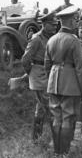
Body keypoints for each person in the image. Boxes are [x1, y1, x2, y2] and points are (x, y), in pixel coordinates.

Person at [44, 6, 82, 158]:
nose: (77, 22)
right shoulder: (74, 41)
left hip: (53, 83)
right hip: (70, 84)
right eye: (75, 19)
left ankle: (57, 151)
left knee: (56, 117)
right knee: (68, 117)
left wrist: (52, 81)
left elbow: (47, 66)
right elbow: (80, 69)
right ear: (69, 20)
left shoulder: (51, 39)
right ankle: (64, 152)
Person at [21, 13, 57, 143]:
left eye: (55, 24)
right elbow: (25, 60)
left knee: (40, 109)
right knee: (51, 108)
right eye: (52, 25)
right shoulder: (36, 39)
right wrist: (32, 73)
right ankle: (57, 142)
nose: (55, 27)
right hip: (39, 77)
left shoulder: (52, 37)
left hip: (49, 75)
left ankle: (36, 139)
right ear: (44, 24)